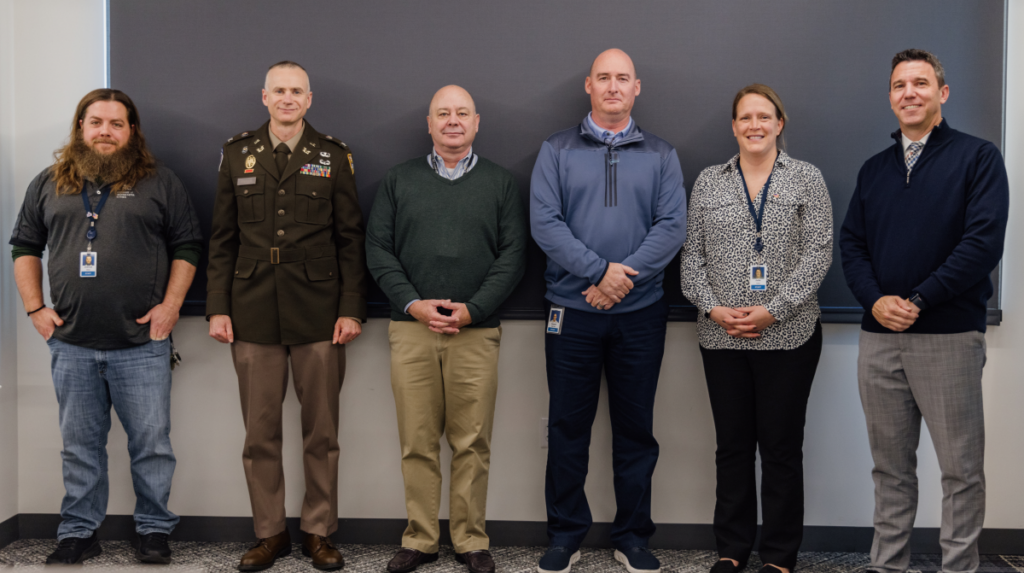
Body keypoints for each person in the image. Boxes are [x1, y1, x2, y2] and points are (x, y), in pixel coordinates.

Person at [9, 89, 202, 565]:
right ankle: (78, 531)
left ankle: (153, 530)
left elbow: (189, 246)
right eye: (96, 122)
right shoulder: (48, 183)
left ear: (131, 130)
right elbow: (23, 247)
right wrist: (36, 309)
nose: (105, 132)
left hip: (143, 343)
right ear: (80, 127)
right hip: (71, 343)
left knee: (152, 445)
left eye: (117, 124)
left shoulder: (161, 182)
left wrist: (171, 306)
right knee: (79, 447)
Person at [840, 49, 1009, 573]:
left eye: (920, 83)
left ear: (943, 93)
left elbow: (981, 244)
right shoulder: (874, 170)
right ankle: (887, 564)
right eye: (898, 85)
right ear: (890, 96)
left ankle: (960, 566)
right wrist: (875, 301)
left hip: (948, 336)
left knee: (960, 470)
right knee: (890, 470)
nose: (908, 93)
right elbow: (852, 245)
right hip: (879, 339)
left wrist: (918, 300)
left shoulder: (978, 159)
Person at [206, 61, 367, 572]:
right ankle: (269, 533)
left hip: (319, 312)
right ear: (264, 97)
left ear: (310, 99)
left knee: (321, 432)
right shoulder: (237, 154)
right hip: (251, 309)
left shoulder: (333, 156)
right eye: (279, 90)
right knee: (260, 433)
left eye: (297, 91)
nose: (288, 98)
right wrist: (217, 307)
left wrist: (351, 310)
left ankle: (318, 532)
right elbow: (223, 240)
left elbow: (349, 241)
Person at [530, 48, 686, 573]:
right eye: (604, 78)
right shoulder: (555, 150)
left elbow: (671, 227)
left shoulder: (662, 155)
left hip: (641, 314)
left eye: (623, 78)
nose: (613, 86)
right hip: (571, 312)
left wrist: (619, 282)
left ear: (636, 87)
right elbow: (546, 224)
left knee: (636, 430)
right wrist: (600, 273)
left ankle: (633, 538)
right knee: (567, 429)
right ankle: (565, 534)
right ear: (588, 87)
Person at [365, 85, 527, 573]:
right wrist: (415, 305)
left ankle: (470, 539)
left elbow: (513, 255)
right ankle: (420, 538)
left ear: (477, 122)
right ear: (429, 124)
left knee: (471, 442)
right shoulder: (398, 180)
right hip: (411, 329)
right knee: (417, 441)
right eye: (442, 113)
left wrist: (472, 309)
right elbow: (378, 250)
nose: (452, 121)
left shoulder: (500, 183)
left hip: (475, 332)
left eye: (461, 113)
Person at [680, 84, 833, 573]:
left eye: (764, 117)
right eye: (745, 118)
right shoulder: (708, 182)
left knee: (782, 449)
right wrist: (713, 308)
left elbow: (818, 254)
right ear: (733, 126)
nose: (754, 125)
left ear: (779, 123)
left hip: (789, 336)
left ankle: (780, 556)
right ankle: (731, 550)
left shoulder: (807, 179)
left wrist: (775, 309)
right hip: (720, 337)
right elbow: (691, 259)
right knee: (732, 448)